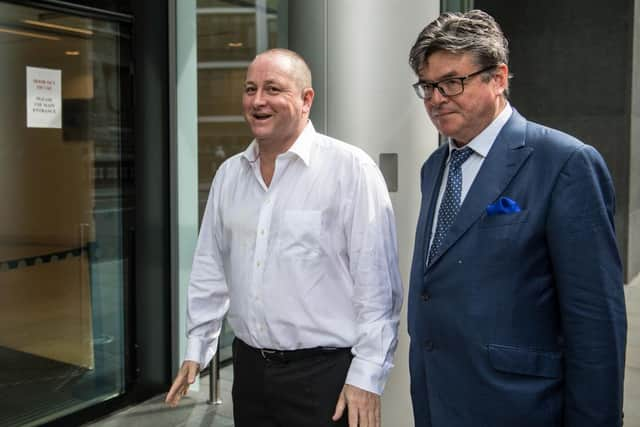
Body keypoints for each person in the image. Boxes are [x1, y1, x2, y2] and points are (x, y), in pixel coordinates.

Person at [406, 10, 627, 427]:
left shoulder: (564, 163)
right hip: (439, 401)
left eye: (453, 82)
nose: (437, 99)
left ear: (499, 77)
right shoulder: (434, 167)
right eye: (428, 86)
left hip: (520, 407)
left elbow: (595, 323)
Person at [165, 48, 402, 427]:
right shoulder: (230, 174)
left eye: (273, 89)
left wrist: (367, 377)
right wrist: (198, 346)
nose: (258, 101)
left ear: (306, 99)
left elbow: (377, 287)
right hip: (249, 373)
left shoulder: (350, 170)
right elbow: (210, 265)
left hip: (325, 379)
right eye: (250, 89)